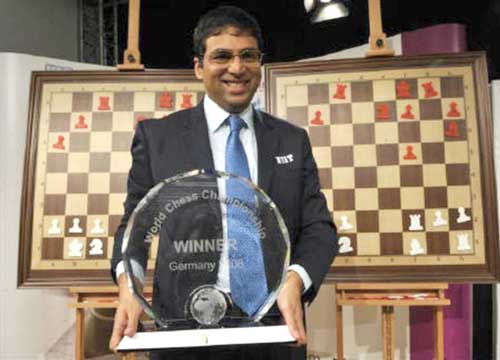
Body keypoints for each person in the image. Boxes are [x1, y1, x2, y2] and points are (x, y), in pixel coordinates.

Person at [109, 5, 337, 359]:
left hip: (274, 328)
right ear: (199, 66)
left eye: (248, 55)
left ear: (259, 63)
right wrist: (130, 283)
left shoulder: (291, 140)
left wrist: (295, 280)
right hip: (182, 332)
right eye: (222, 56)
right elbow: (134, 228)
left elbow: (319, 228)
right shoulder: (158, 138)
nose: (237, 67)